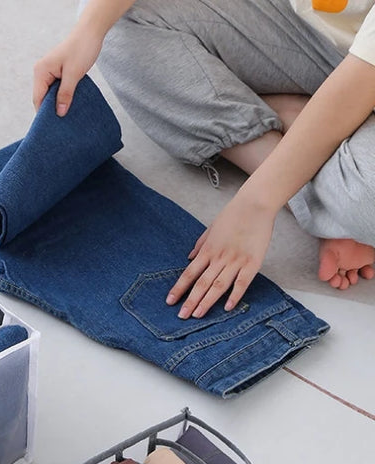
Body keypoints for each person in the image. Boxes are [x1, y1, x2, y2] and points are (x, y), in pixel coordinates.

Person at [33, 0, 375, 319]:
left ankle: (289, 125)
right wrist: (86, 33)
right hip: (314, 32)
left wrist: (255, 204)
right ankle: (298, 135)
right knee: (115, 18)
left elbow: (364, 78)